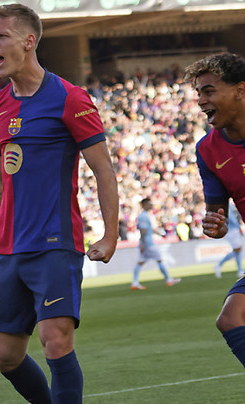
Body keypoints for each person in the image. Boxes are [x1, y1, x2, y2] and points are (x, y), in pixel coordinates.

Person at [0, 5, 119, 404]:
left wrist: (110, 235)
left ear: (29, 41)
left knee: (55, 340)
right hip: (10, 248)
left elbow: (103, 170)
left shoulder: (69, 98)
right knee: (4, 354)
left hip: (55, 243)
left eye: (1, 36)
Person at [186, 52, 245, 368]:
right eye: (199, 93)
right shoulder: (207, 149)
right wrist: (215, 226)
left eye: (209, 91)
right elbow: (216, 212)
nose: (201, 101)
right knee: (231, 318)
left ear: (240, 90)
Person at [131, 198, 181, 290]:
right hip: (148, 243)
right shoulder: (143, 216)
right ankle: (169, 279)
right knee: (159, 260)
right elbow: (143, 230)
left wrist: (160, 234)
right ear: (144, 205)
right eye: (149, 203)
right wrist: (143, 244)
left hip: (145, 243)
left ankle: (135, 283)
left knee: (140, 262)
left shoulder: (145, 215)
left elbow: (149, 229)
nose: (151, 205)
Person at [214, 202, 244, 278]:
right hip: (232, 230)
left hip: (231, 229)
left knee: (238, 250)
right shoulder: (226, 204)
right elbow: (231, 217)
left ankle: (240, 270)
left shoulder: (226, 204)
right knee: (237, 250)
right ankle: (219, 264)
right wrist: (238, 227)